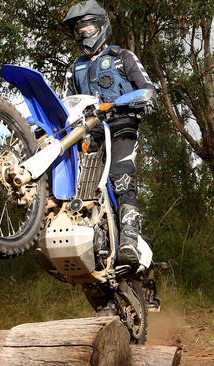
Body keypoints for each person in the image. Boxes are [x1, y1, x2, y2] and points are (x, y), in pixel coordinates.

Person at [62, 0, 157, 268]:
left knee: (121, 176)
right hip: (90, 134)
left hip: (122, 125)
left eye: (87, 27)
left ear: (101, 26)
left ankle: (129, 239)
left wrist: (143, 99)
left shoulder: (121, 57)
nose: (83, 34)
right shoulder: (74, 68)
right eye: (78, 30)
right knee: (81, 187)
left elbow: (148, 87)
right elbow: (64, 104)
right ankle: (92, 237)